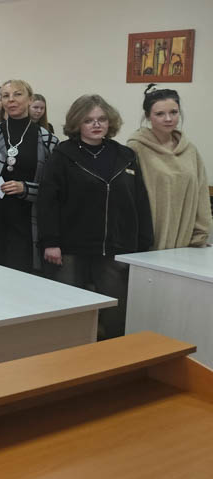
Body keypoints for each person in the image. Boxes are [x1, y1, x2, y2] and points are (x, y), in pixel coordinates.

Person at [38, 95, 153, 339]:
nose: (96, 124)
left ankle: (113, 354)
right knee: (69, 309)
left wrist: (144, 244)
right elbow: (48, 202)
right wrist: (50, 241)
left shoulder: (125, 155)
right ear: (77, 123)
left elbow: (140, 201)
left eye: (101, 119)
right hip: (70, 247)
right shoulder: (62, 155)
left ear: (110, 122)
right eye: (88, 120)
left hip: (115, 246)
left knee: (116, 311)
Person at [0, 79, 58, 273]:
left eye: (18, 94)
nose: (11, 100)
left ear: (30, 99)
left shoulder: (48, 140)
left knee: (19, 273)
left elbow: (51, 189)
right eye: (5, 96)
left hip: (25, 217)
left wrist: (25, 188)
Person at [126, 85, 210, 249]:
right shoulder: (136, 148)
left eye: (173, 112)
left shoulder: (190, 150)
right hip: (147, 242)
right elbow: (129, 197)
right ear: (148, 116)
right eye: (160, 114)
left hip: (186, 242)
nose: (168, 119)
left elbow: (202, 194)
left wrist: (201, 234)